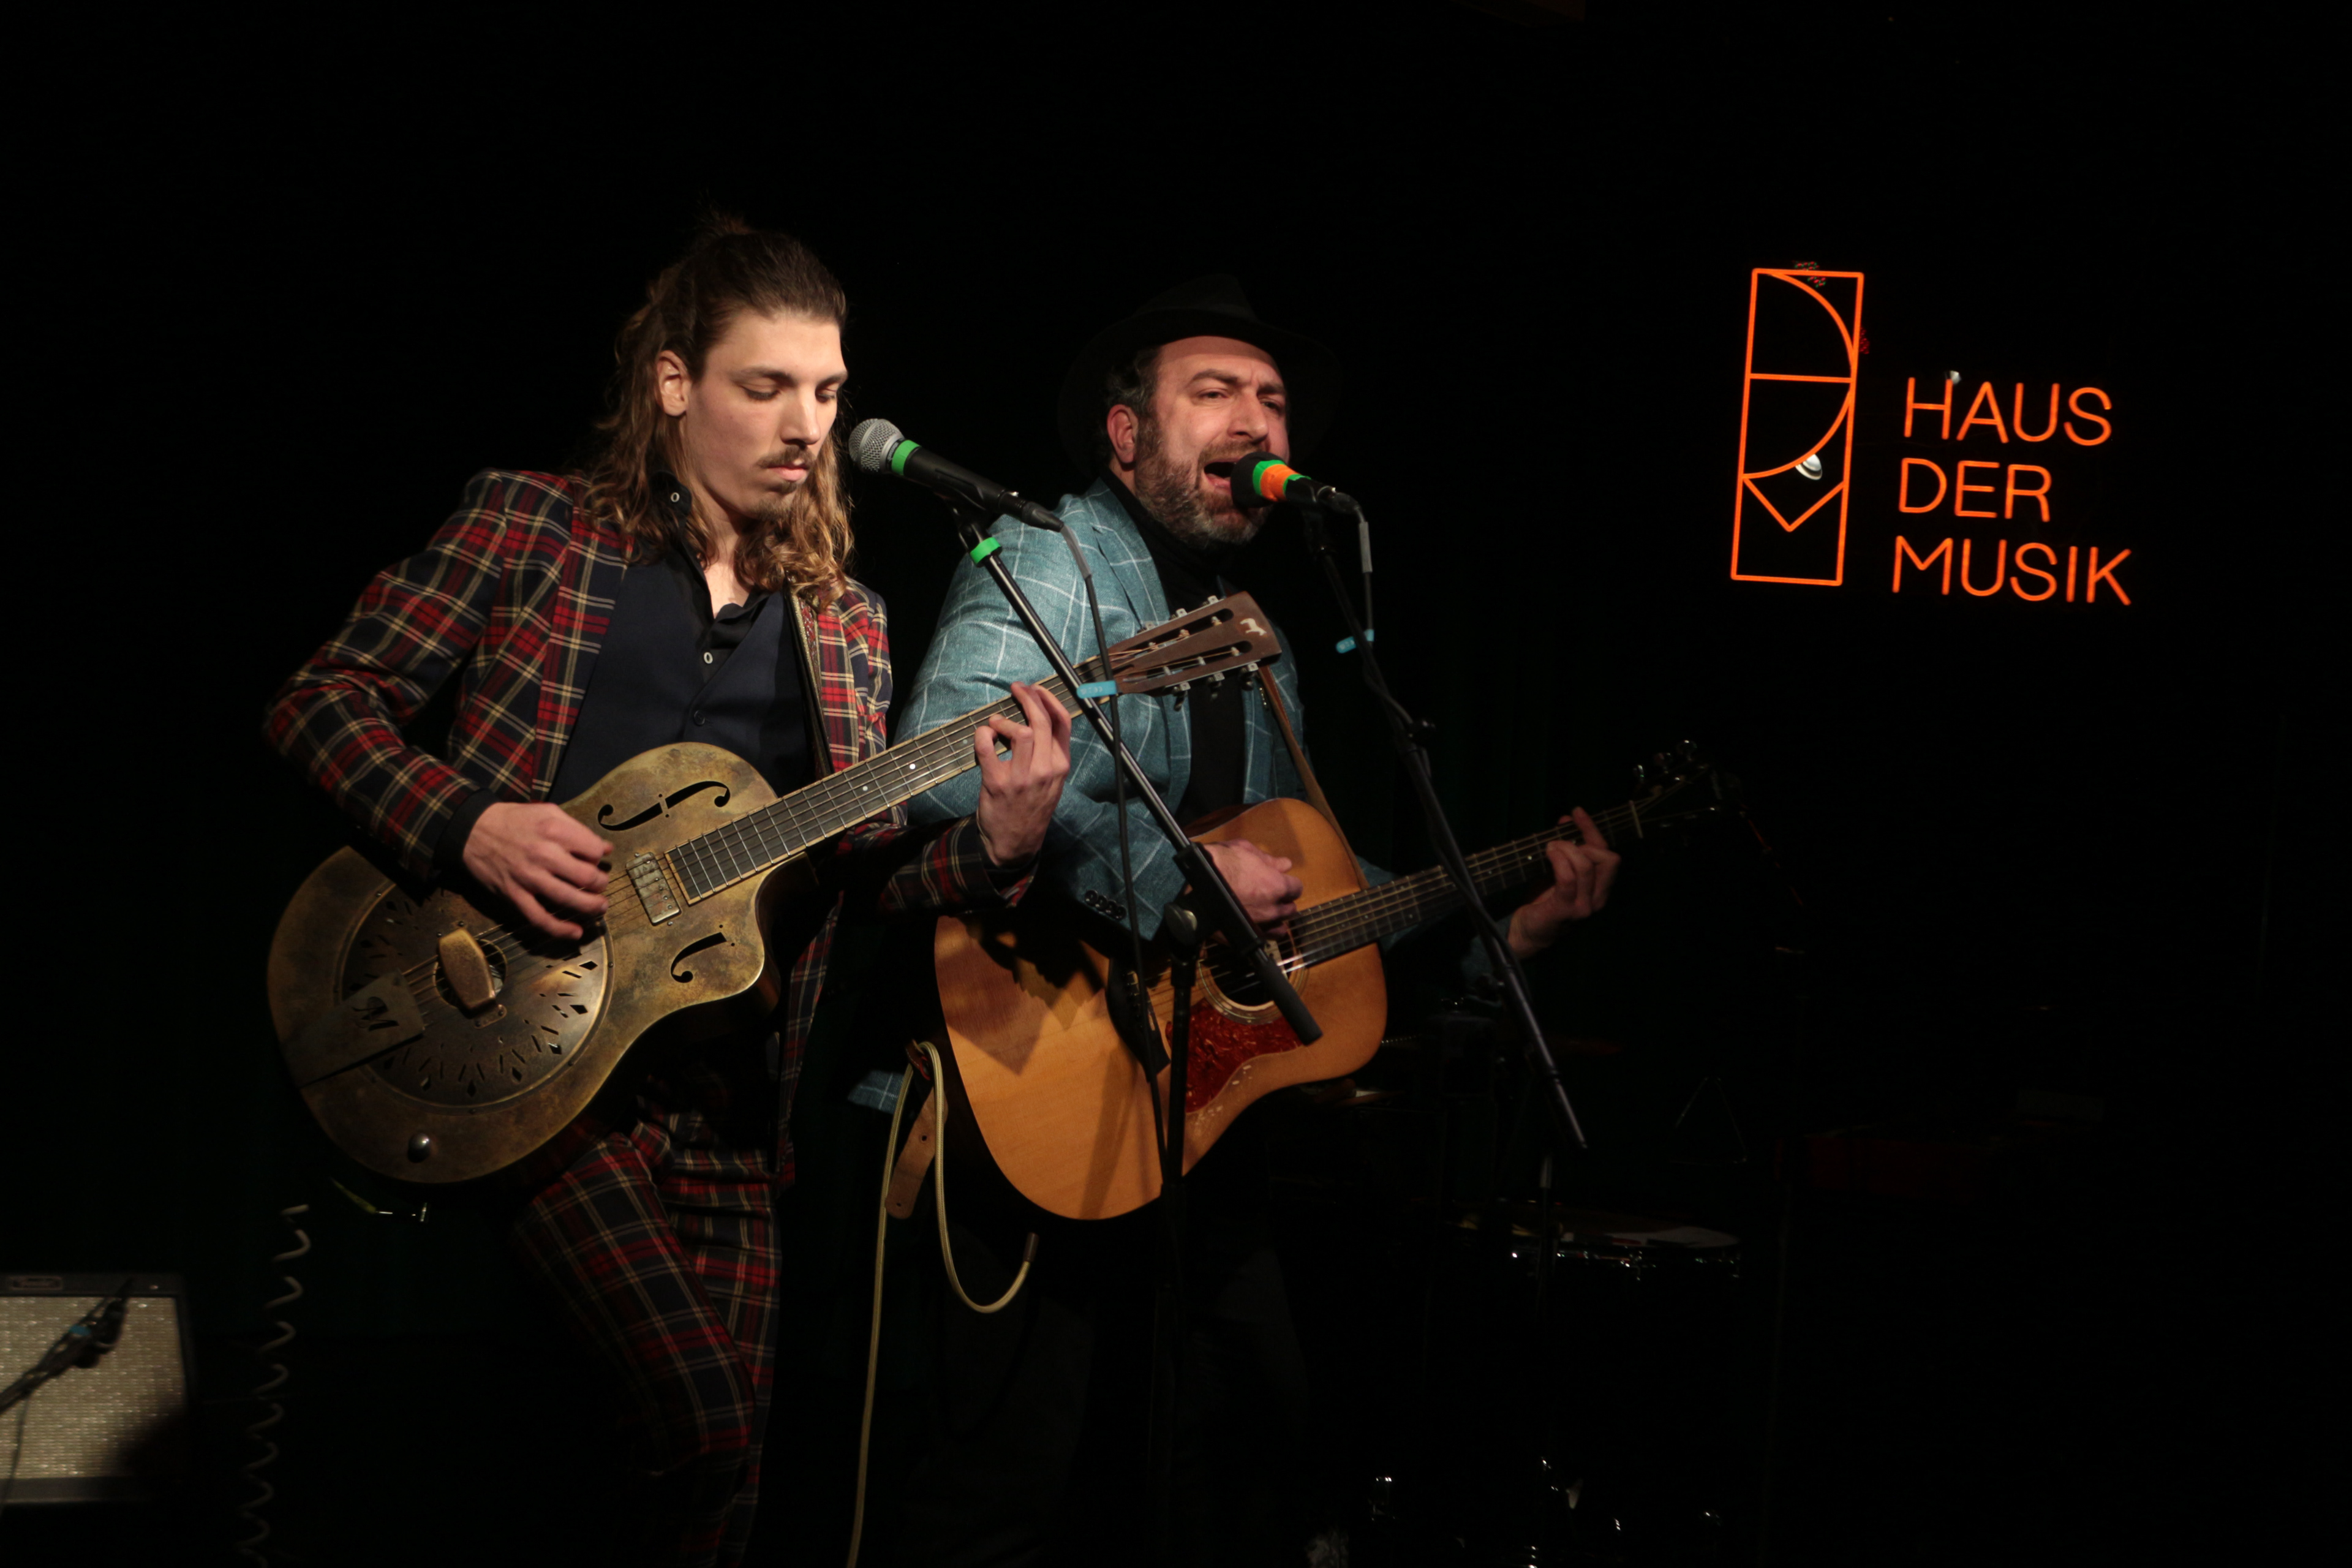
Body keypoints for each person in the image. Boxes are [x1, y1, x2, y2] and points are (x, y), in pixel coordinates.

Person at [262, 217, 1071, 1568]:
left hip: (733, 1100)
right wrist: (471, 822)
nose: (806, 423)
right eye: (767, 387)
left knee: (720, 1479)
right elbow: (319, 701)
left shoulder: (848, 618)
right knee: (693, 1415)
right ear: (676, 382)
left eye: (827, 390)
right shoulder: (535, 526)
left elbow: (857, 875)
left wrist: (997, 839)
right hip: (533, 1060)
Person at [884, 276, 1620, 1564]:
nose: (1254, 419)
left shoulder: (1256, 640)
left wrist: (1510, 911)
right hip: (1045, 1084)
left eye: (1271, 400)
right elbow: (950, 766)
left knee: (1245, 1457)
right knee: (1004, 1489)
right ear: (1127, 436)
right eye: (1213, 391)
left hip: (1196, 1118)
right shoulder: (1059, 562)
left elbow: (1301, 885)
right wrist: (1172, 886)